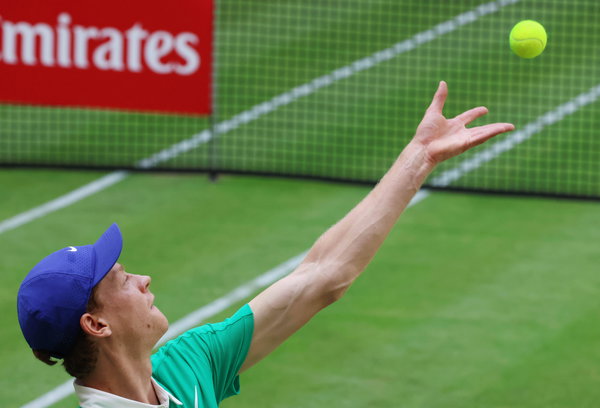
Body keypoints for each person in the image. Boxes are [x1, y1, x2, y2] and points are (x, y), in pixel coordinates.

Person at [17, 82, 514, 407]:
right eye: (123, 280)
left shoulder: (187, 364)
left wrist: (419, 158)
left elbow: (321, 277)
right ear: (96, 324)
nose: (144, 279)